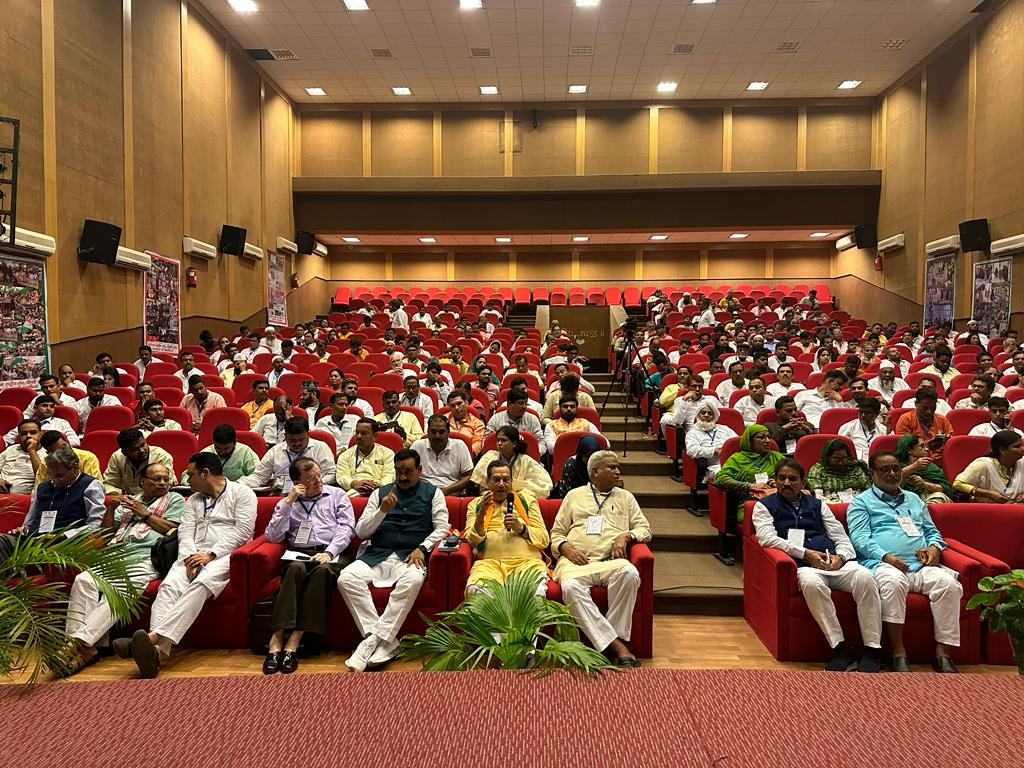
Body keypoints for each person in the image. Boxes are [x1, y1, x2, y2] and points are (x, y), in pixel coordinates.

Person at [117, 452, 256, 677]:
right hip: (192, 554)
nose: (186, 480)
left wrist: (211, 554)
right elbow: (185, 531)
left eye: (190, 475)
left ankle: (153, 639)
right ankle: (155, 654)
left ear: (205, 473)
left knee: (201, 583)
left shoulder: (242, 493)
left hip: (225, 554)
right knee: (168, 587)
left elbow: (243, 531)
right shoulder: (193, 499)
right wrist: (189, 558)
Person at [752, 459, 882, 672]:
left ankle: (872, 648)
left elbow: (840, 536)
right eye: (781, 478)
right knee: (812, 584)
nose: (786, 483)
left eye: (792, 479)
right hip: (804, 565)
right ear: (775, 480)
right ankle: (841, 648)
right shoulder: (764, 506)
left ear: (803, 482)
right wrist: (805, 554)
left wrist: (841, 557)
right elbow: (767, 539)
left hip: (834, 562)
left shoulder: (818, 504)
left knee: (866, 578)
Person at [61, 463, 183, 675]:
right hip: (116, 555)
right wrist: (110, 508)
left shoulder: (175, 499)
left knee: (121, 588)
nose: (163, 483)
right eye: (156, 479)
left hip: (148, 557)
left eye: (166, 479)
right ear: (142, 482)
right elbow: (107, 532)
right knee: (83, 580)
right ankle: (88, 648)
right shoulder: (130, 501)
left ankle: (74, 645)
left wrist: (144, 514)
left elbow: (172, 530)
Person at [846, 452, 962, 673]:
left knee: (948, 585)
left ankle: (943, 654)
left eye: (896, 468)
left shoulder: (914, 499)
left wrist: (935, 547)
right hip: (882, 564)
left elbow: (931, 531)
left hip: (921, 564)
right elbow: (860, 539)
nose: (892, 474)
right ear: (872, 473)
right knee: (892, 583)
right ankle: (898, 652)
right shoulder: (861, 502)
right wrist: (886, 557)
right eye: (884, 470)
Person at [337, 449, 449, 671]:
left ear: (420, 470)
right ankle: (385, 642)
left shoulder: (433, 493)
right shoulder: (380, 494)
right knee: (345, 578)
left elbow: (443, 528)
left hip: (410, 556)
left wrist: (422, 547)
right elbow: (361, 531)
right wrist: (381, 511)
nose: (403, 477)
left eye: (408, 472)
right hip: (377, 555)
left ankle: (371, 641)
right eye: (399, 472)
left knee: (413, 580)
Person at [551, 450, 651, 668]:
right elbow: (556, 533)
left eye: (618, 467)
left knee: (629, 573)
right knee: (570, 587)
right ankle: (618, 648)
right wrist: (566, 548)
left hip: (609, 562)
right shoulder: (574, 495)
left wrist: (625, 536)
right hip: (576, 562)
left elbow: (645, 529)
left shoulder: (625, 497)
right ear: (595, 471)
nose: (618, 472)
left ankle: (607, 643)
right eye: (612, 467)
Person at [261, 457, 356, 674]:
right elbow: (273, 537)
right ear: (298, 483)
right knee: (294, 569)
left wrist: (329, 552)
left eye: (319, 475)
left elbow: (347, 528)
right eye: (312, 479)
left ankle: (294, 640)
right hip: (299, 553)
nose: (319, 481)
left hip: (332, 553)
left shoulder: (337, 495)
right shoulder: (288, 502)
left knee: (322, 572)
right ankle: (276, 639)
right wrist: (288, 503)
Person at [464, 460, 549, 595]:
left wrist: (520, 527)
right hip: (489, 565)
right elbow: (471, 541)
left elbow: (544, 539)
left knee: (533, 593)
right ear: (487, 481)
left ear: (512, 481)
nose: (501, 484)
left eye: (506, 479)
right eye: (496, 479)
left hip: (527, 563)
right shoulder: (476, 504)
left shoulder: (527, 501)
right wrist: (481, 514)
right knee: (476, 591)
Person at [13, 446, 105, 535]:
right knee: (5, 539)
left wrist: (65, 535)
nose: (55, 480)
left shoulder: (91, 486)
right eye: (51, 476)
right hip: (34, 538)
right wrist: (23, 531)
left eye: (60, 476)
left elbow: (96, 523)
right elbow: (30, 521)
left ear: (75, 468)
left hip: (67, 541)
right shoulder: (41, 487)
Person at [241, 416, 336, 492]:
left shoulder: (320, 448)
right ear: (285, 436)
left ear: (308, 435)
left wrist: (315, 484)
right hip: (281, 492)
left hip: (313, 492)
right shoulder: (275, 451)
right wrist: (237, 485)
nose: (297, 443)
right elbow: (259, 477)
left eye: (301, 439)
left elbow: (332, 474)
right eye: (292, 440)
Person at [714, 424, 785, 524]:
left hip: (779, 501)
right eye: (761, 437)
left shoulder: (777, 457)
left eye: (768, 437)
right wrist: (749, 486)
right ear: (750, 441)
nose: (767, 441)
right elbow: (720, 479)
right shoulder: (738, 459)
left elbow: (794, 477)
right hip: (750, 504)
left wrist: (779, 482)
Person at [471, 424, 552, 499]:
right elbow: (483, 488)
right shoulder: (489, 457)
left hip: (519, 499)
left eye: (503, 440)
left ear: (514, 444)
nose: (499, 443)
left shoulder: (526, 461)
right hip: (493, 499)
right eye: (498, 440)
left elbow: (542, 488)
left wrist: (514, 492)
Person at [953, 429, 1024, 503]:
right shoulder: (983, 464)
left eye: (1022, 445)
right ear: (1002, 450)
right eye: (1017, 446)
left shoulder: (1022, 463)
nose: (1022, 449)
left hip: (1017, 508)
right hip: (987, 508)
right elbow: (957, 484)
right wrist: (989, 494)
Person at [411, 415, 474, 496]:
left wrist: (447, 490)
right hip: (422, 494)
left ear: (448, 432)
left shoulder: (459, 446)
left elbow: (469, 477)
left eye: (441, 432)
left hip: (452, 495)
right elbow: (408, 472)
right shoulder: (418, 445)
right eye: (433, 432)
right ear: (428, 431)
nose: (437, 436)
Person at [102, 428, 177, 495]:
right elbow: (108, 483)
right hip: (126, 499)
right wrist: (120, 495)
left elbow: (165, 485)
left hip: (155, 498)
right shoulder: (117, 457)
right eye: (135, 449)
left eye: (143, 445)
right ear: (125, 452)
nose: (142, 450)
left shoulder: (161, 456)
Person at [180, 424, 259, 484]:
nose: (222, 451)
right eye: (218, 448)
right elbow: (186, 476)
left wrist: (232, 484)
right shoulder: (206, 453)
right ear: (213, 442)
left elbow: (257, 476)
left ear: (235, 442)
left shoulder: (245, 452)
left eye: (226, 448)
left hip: (239, 492)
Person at [336, 418, 396, 497]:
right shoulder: (345, 455)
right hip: (354, 490)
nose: (359, 436)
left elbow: (390, 475)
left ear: (375, 436)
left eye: (364, 433)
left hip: (379, 490)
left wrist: (379, 486)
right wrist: (353, 483)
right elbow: (341, 476)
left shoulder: (387, 453)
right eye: (357, 432)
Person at [685, 402, 738, 485]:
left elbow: (737, 443)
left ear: (714, 417)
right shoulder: (692, 433)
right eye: (703, 413)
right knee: (727, 475)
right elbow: (692, 450)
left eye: (710, 413)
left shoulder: (724, 429)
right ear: (698, 415)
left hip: (734, 462)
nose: (706, 415)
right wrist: (714, 451)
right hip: (714, 466)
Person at [805, 438, 872, 505]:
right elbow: (818, 497)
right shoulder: (818, 470)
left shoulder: (855, 468)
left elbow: (869, 491)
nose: (840, 462)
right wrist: (839, 507)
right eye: (835, 458)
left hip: (859, 505)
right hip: (829, 506)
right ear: (827, 458)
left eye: (844, 458)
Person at [893, 388, 952, 462]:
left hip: (941, 461)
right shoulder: (906, 419)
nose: (929, 412)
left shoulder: (942, 420)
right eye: (925, 408)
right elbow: (904, 448)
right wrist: (928, 446)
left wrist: (946, 441)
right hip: (916, 463)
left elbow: (951, 444)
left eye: (932, 408)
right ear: (916, 404)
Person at [895, 434, 954, 503]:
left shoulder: (930, 466)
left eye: (926, 446)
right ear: (909, 450)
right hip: (906, 501)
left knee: (939, 497)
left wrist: (925, 484)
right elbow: (891, 483)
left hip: (930, 498)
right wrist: (914, 466)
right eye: (922, 446)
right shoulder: (896, 466)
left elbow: (947, 489)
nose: (927, 449)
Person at [486, 390, 546, 455]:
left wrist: (534, 454)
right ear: (509, 404)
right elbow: (486, 441)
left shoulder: (533, 419)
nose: (524, 407)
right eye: (520, 403)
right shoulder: (495, 419)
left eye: (525, 403)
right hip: (500, 457)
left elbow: (541, 442)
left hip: (527, 458)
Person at [5, 395, 77, 448]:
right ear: (35, 408)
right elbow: (7, 440)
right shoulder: (26, 424)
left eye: (52, 406)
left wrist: (55, 445)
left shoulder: (61, 423)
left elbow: (75, 441)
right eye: (44, 406)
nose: (48, 409)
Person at [550, 433, 604, 500]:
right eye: (586, 456)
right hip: (573, 500)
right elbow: (566, 494)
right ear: (581, 454)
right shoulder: (571, 464)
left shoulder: (603, 464)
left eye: (593, 455)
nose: (590, 459)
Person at [838, 398, 888, 463]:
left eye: (868, 413)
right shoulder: (847, 428)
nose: (863, 415)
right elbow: (840, 452)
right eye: (861, 412)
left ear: (877, 414)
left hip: (878, 464)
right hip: (855, 464)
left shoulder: (883, 429)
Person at [0, 420, 42, 494]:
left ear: (41, 434)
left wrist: (31, 451)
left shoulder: (47, 453)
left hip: (24, 497)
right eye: (23, 433)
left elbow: (42, 477)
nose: (28, 436)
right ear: (18, 436)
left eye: (33, 432)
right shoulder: (11, 449)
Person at [446, 390, 485, 457]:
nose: (456, 408)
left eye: (459, 403)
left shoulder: (478, 424)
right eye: (452, 405)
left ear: (466, 403)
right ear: (449, 407)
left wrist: (462, 456)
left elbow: (477, 446)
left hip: (466, 457)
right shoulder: (444, 420)